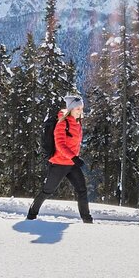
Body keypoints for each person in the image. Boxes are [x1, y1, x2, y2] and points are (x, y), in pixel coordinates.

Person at [27, 93, 93, 223]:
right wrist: (74, 158)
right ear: (70, 109)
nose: (80, 111)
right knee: (47, 191)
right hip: (59, 163)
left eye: (81, 108)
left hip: (72, 164)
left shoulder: (77, 122)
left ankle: (87, 219)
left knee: (82, 190)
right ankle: (31, 214)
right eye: (77, 108)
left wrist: (74, 159)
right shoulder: (62, 123)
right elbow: (60, 145)